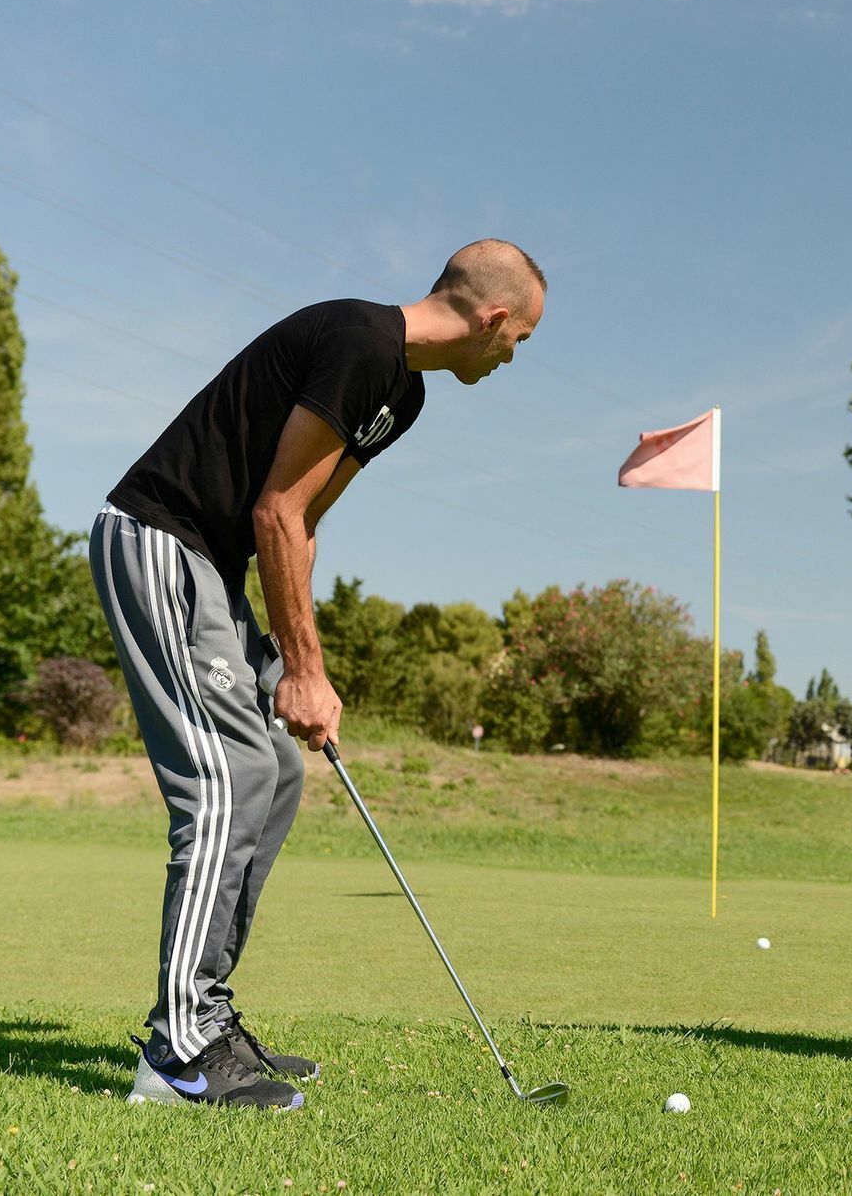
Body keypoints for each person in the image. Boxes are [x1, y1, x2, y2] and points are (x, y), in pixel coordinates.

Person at [91, 239, 545, 1110]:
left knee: (283, 771)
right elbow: (276, 508)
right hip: (156, 539)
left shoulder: (401, 394)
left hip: (214, 567)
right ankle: (177, 1050)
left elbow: (298, 521)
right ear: (491, 320)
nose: (512, 356)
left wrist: (300, 666)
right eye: (518, 338)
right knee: (226, 778)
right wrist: (301, 668)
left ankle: (209, 1016)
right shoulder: (362, 342)